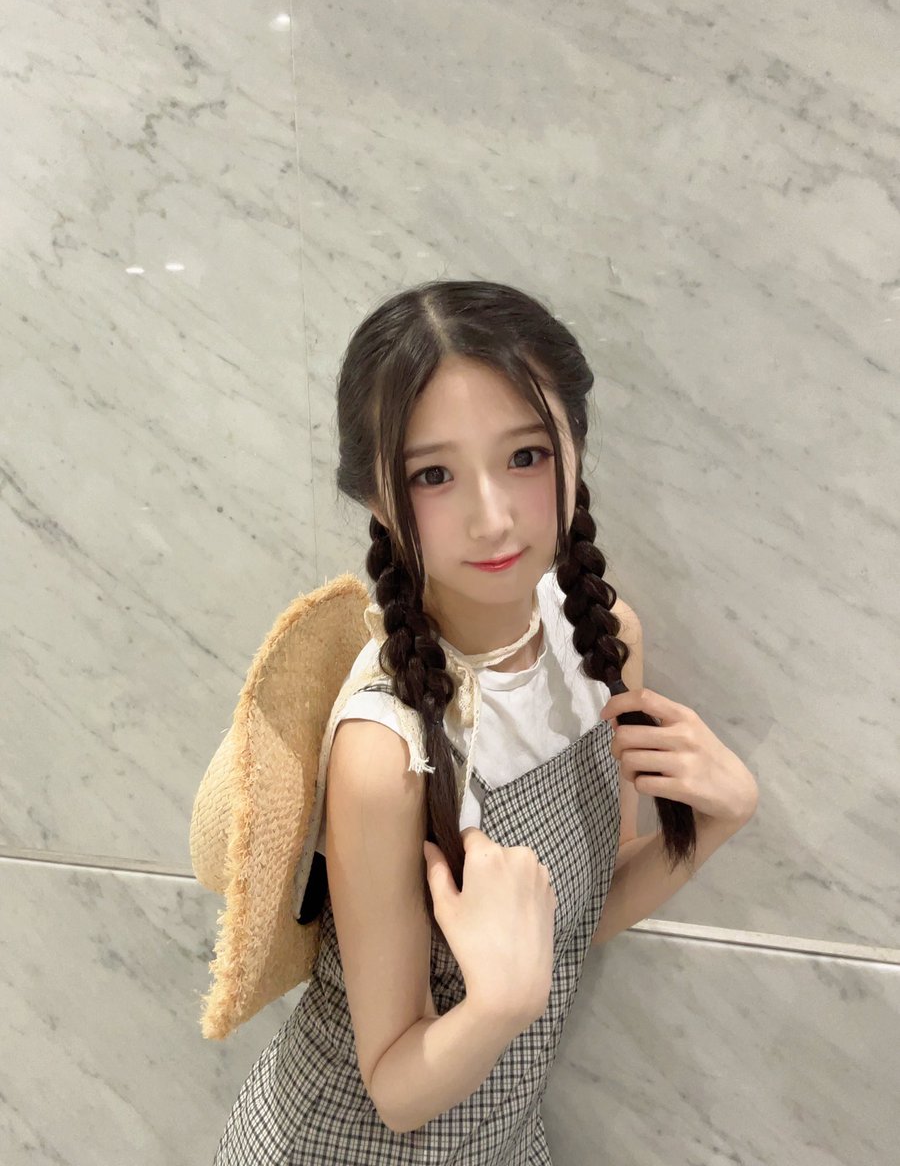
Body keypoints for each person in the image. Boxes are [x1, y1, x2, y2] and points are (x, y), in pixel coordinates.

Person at [211, 279, 757, 1164]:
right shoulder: (385, 751)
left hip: (492, 1138)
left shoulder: (603, 642)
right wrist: (501, 1004)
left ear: (575, 445)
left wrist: (711, 827)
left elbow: (577, 915)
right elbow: (393, 1088)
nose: (493, 516)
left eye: (526, 456)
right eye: (433, 474)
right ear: (376, 497)